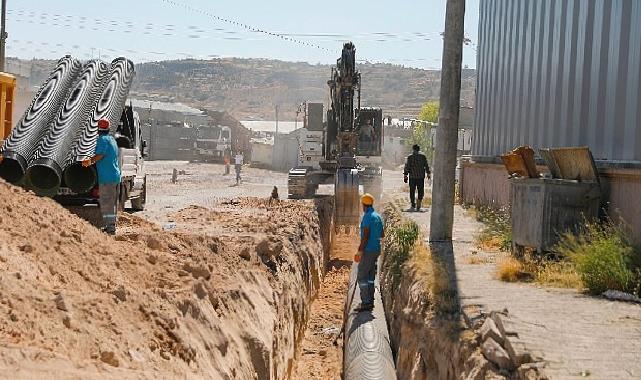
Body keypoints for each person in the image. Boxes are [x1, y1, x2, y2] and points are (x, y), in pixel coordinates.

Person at [82, 118, 121, 235]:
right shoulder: (112, 140)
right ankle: (110, 225)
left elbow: (100, 154)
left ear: (98, 130)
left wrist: (88, 162)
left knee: (106, 202)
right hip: (114, 175)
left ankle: (110, 228)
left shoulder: (102, 140)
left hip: (107, 177)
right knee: (110, 203)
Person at [354, 193, 384, 311]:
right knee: (371, 276)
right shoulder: (377, 216)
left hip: (368, 250)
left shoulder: (367, 216)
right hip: (376, 249)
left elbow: (365, 236)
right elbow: (382, 234)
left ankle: (365, 302)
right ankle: (371, 300)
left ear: (363, 205)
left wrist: (359, 252)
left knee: (361, 275)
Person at [403, 144, 431, 211]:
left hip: (412, 177)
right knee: (420, 191)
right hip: (420, 177)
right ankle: (418, 205)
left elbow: (407, 167)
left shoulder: (410, 157)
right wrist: (428, 173)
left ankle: (413, 205)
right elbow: (426, 165)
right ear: (419, 149)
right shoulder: (423, 157)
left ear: (413, 149)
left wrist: (405, 175)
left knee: (412, 191)